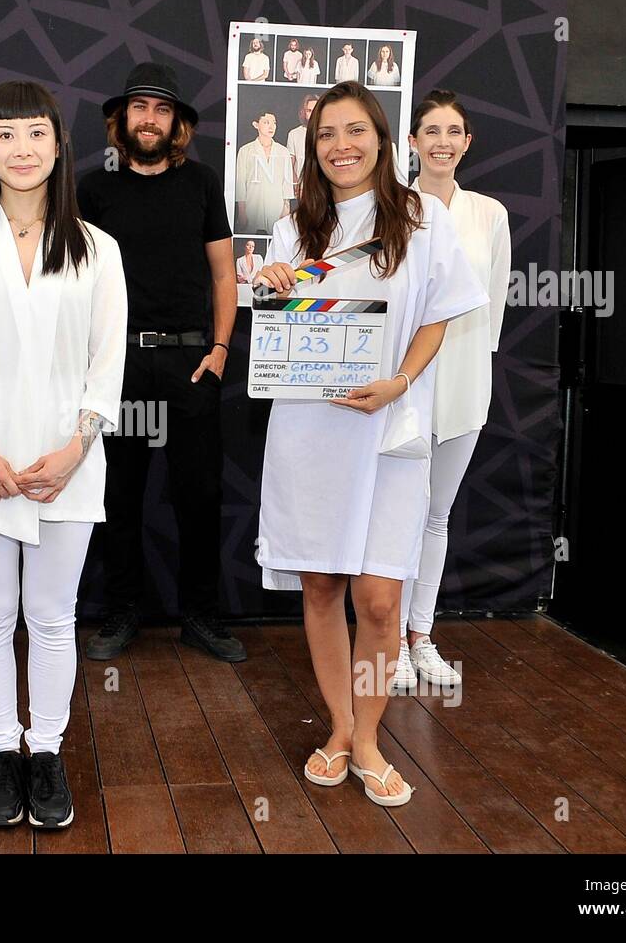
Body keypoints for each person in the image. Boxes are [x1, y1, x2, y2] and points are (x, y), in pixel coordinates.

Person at [254, 81, 485, 806]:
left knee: (381, 600)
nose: (341, 145)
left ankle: (369, 737)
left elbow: (441, 315)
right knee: (321, 583)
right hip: (310, 429)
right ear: (312, 147)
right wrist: (269, 285)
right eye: (326, 134)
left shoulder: (422, 218)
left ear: (384, 142)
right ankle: (340, 727)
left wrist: (401, 382)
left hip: (391, 424)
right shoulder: (296, 228)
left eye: (356, 131)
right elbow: (278, 322)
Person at [0, 81, 127, 830]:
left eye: (37, 134)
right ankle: (2, 751)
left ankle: (47, 751)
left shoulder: (98, 250)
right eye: (6, 135)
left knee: (50, 617)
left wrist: (75, 448)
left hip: (66, 466)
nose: (23, 149)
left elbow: (107, 365)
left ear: (59, 145)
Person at [78, 62, 244, 663]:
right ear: (121, 120)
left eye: (162, 109)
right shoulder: (92, 191)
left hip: (190, 364)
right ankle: (121, 614)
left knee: (199, 497)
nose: (149, 119)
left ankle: (201, 617)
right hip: (118, 366)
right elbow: (76, 283)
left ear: (177, 124)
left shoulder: (201, 184)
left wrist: (221, 350)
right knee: (118, 497)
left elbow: (225, 274)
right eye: (139, 107)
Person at [391, 90, 511, 691]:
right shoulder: (389, 208)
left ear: (467, 143)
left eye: (454, 131)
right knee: (391, 519)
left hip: (463, 383)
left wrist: (469, 372)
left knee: (435, 517)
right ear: (411, 141)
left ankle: (422, 638)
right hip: (400, 387)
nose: (442, 141)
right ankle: (387, 647)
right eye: (430, 130)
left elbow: (490, 313)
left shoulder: (489, 214)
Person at [235, 110, 294, 234]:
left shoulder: (283, 151)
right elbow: (240, 183)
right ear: (256, 124)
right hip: (253, 205)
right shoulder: (245, 150)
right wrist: (242, 211)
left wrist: (286, 208)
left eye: (274, 123)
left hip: (276, 205)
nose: (271, 126)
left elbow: (287, 183)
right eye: (266, 122)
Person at [286, 93, 320, 198]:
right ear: (304, 112)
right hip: (302, 185)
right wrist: (295, 182)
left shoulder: (328, 132)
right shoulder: (294, 134)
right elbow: (290, 163)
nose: (313, 114)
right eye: (309, 111)